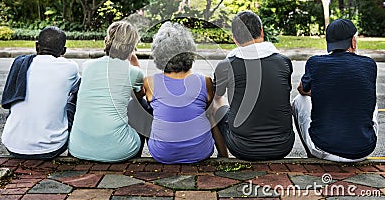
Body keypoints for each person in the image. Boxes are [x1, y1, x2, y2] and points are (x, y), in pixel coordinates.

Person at [213, 11, 295, 160]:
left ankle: (223, 156)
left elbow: (217, 99)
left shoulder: (225, 66)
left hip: (242, 148)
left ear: (234, 39)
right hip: (283, 146)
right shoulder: (283, 62)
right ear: (262, 31)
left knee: (214, 105)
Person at [293, 19, 378, 162]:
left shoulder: (315, 63)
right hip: (363, 150)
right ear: (353, 41)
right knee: (370, 102)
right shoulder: (369, 64)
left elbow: (301, 89)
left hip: (324, 149)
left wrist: (324, 91)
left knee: (298, 101)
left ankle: (311, 156)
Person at [144, 22, 228, 164]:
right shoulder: (204, 81)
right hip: (201, 152)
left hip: (162, 154)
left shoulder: (150, 82)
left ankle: (148, 150)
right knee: (210, 112)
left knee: (147, 109)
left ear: (158, 53)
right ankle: (223, 154)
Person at [68, 21, 146, 162]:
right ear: (132, 47)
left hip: (77, 148)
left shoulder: (88, 66)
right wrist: (134, 61)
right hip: (118, 150)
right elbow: (139, 96)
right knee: (142, 106)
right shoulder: (133, 72)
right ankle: (134, 161)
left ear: (107, 41)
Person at [1, 26, 80, 160]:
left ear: (37, 46)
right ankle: (76, 152)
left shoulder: (20, 63)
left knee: (20, 98)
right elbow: (77, 89)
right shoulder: (69, 67)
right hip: (51, 148)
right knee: (76, 97)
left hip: (12, 146)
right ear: (63, 51)